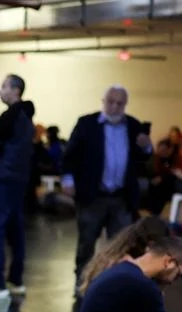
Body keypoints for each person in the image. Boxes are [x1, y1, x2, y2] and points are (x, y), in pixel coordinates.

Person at [61, 85, 153, 289]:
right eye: (111, 102)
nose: (115, 107)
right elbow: (70, 154)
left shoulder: (133, 125)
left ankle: (113, 285)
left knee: (121, 245)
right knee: (86, 242)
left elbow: (143, 157)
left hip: (121, 197)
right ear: (103, 102)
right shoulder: (87, 123)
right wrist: (68, 179)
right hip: (93, 195)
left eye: (120, 103)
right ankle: (82, 283)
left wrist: (146, 146)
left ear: (125, 104)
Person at [0, 74, 35, 292]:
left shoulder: (11, 115)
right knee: (15, 230)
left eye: (4, 86)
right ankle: (16, 279)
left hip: (3, 179)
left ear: (15, 90)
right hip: (18, 180)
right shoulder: (26, 117)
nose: (0, 91)